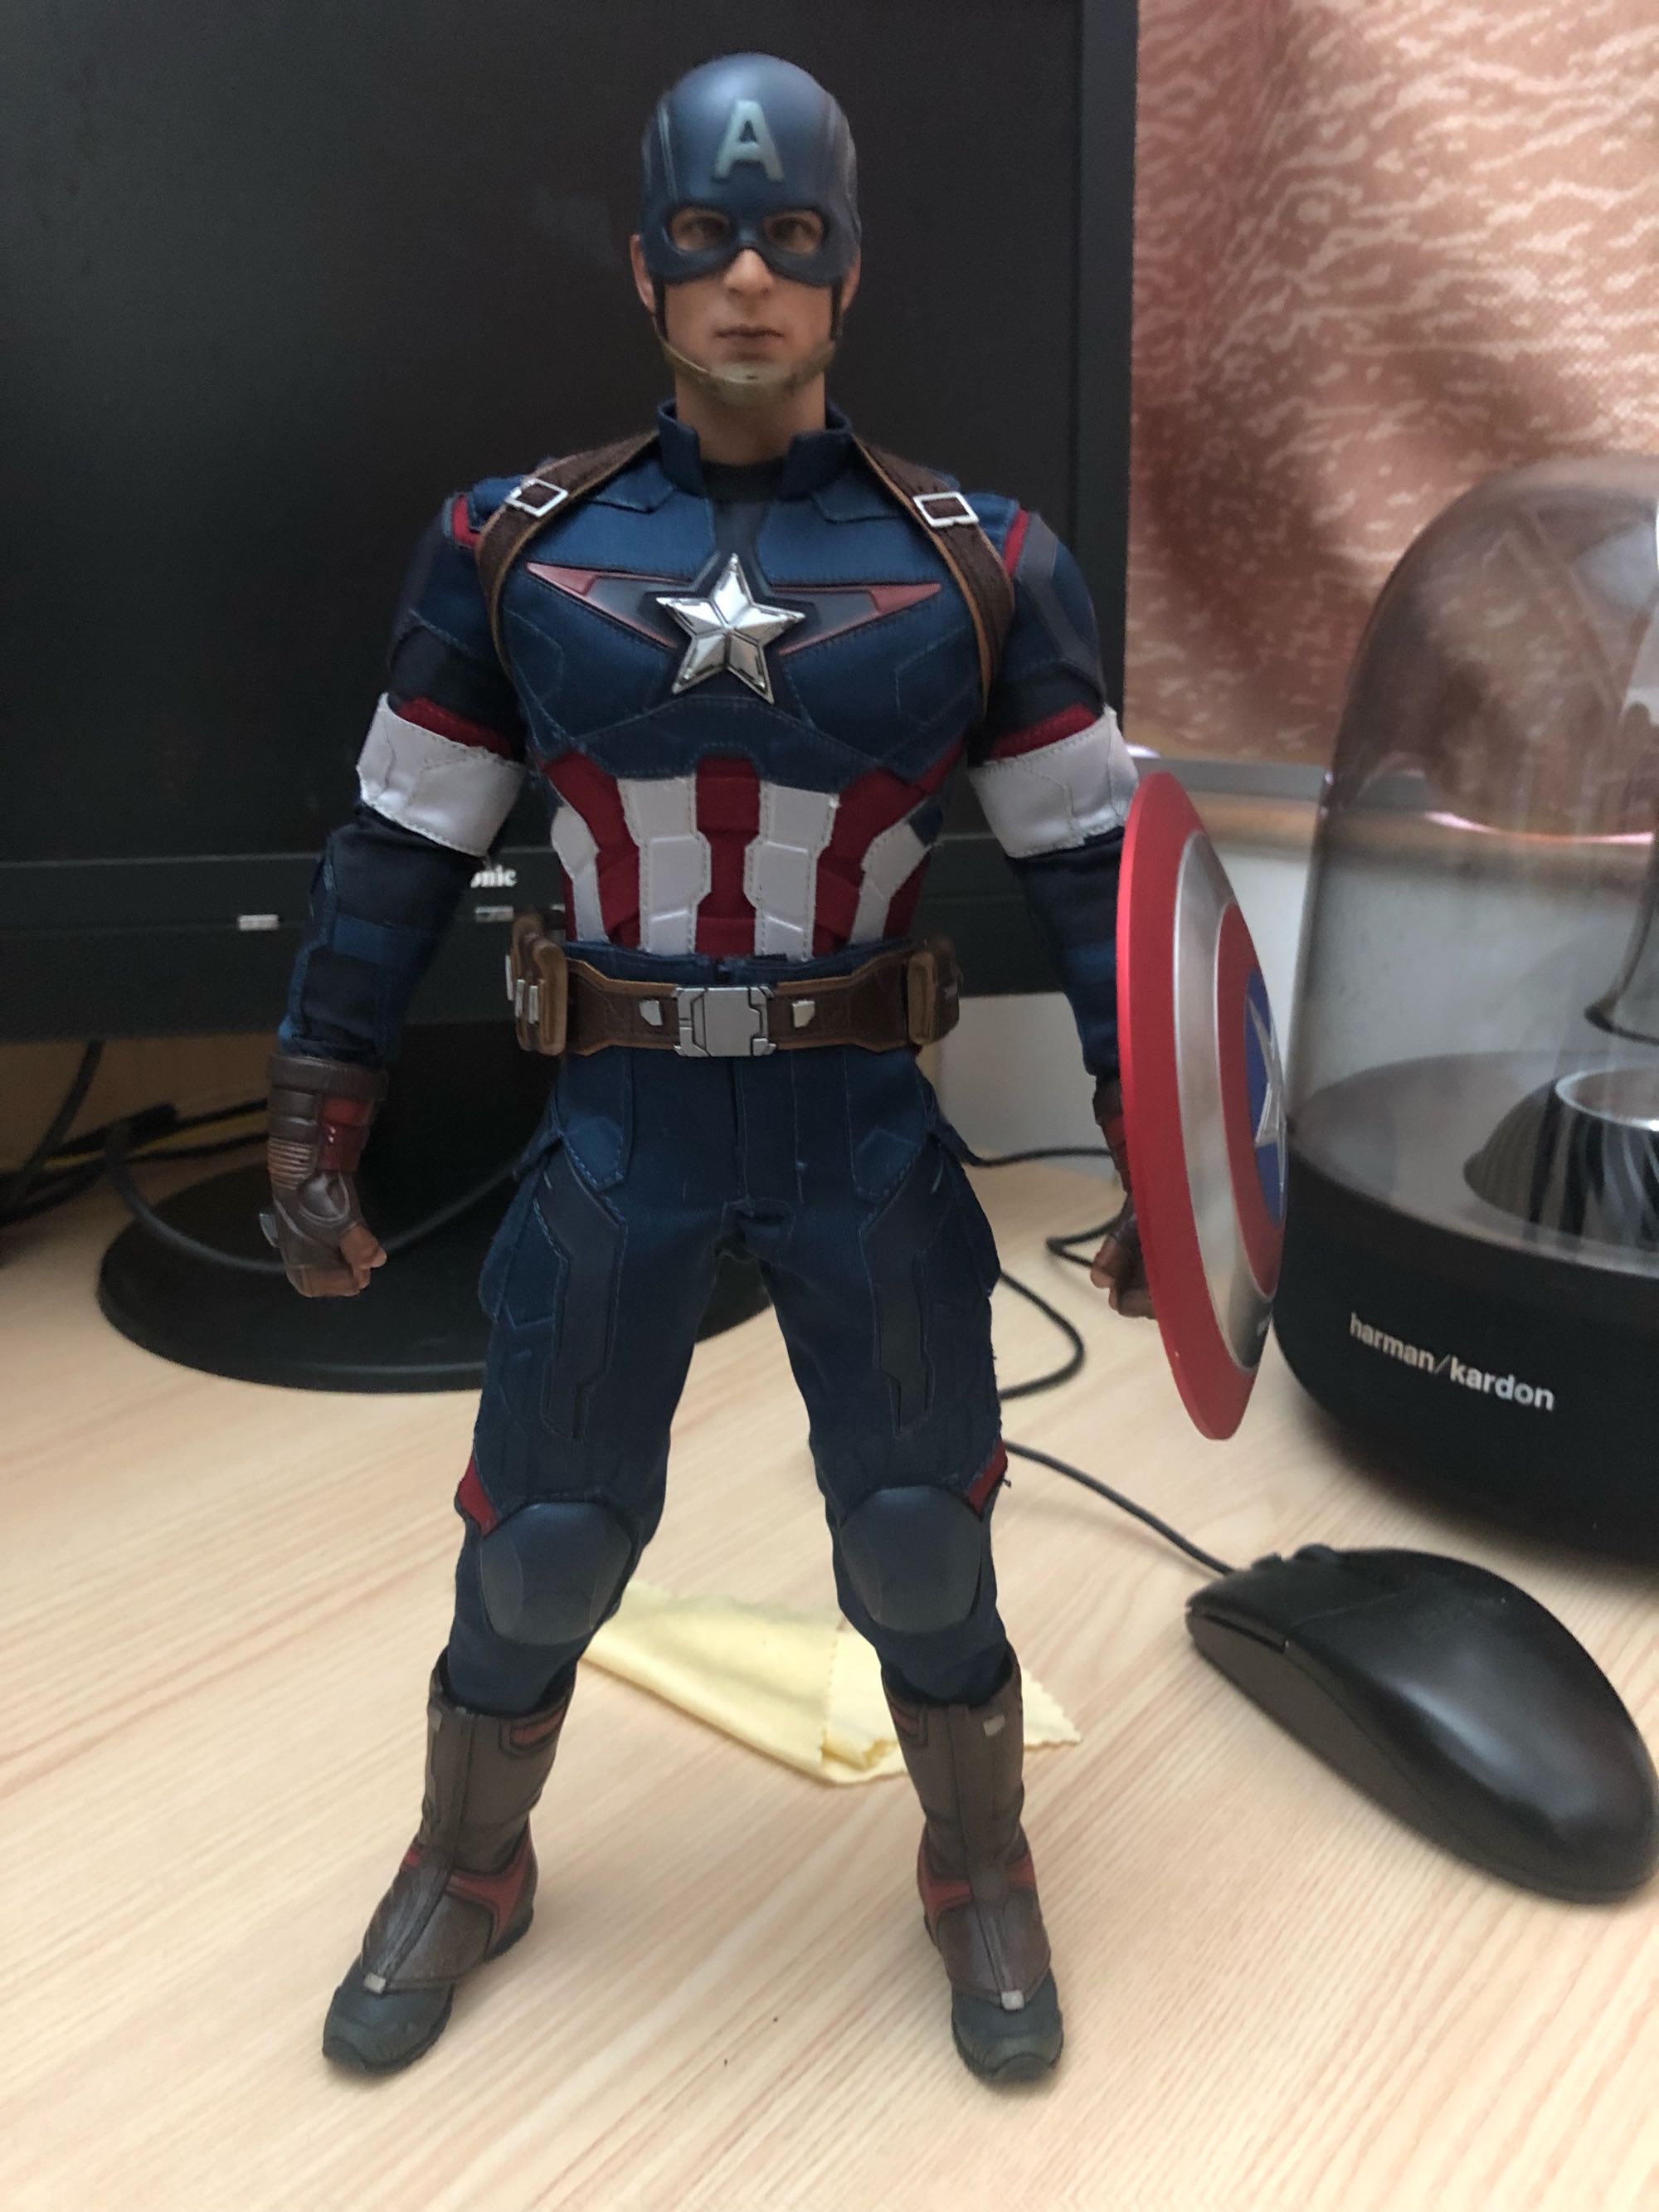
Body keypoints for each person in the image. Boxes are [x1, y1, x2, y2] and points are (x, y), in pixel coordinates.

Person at [265, 51, 1149, 2087]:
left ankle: (977, 1856)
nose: (748, 278)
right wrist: (318, 1104)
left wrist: (1166, 1165)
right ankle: (468, 1859)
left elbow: (1103, 883)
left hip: (861, 1133)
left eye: (790, 236)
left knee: (917, 1532)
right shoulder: (508, 547)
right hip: (619, 1128)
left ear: (850, 268)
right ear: (643, 265)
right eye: (705, 236)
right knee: (545, 1538)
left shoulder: (982, 560)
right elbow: (396, 846)